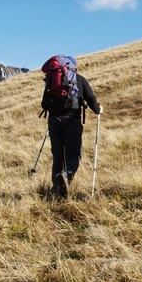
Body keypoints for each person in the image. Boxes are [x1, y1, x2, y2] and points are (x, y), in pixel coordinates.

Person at [41, 55, 102, 198]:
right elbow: (91, 99)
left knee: (58, 155)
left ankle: (56, 188)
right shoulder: (79, 79)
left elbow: (44, 104)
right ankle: (66, 177)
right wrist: (98, 110)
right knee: (74, 154)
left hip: (54, 122)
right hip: (72, 121)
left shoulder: (51, 80)